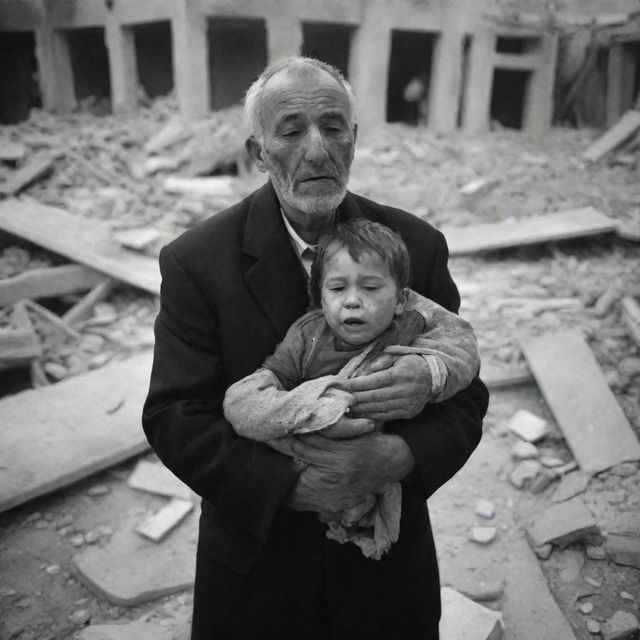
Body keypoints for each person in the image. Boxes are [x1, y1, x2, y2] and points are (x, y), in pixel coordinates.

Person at [142, 56, 489, 639]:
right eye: (292, 130)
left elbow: (466, 399)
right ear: (259, 154)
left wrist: (399, 455)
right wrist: (296, 486)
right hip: (257, 574)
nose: (318, 150)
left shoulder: (416, 248)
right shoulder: (197, 261)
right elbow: (176, 415)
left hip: (384, 574)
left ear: (354, 140)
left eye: (333, 128)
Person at [223, 218, 480, 560]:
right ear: (320, 297)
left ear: (401, 299)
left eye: (371, 288)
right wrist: (317, 412)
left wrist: (431, 371)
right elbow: (251, 394)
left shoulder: (408, 326)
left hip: (381, 482)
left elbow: (461, 343)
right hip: (296, 494)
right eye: (338, 288)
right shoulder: (307, 336)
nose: (353, 301)